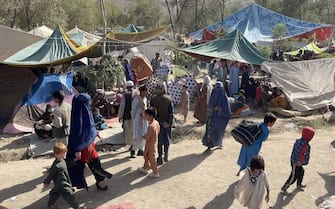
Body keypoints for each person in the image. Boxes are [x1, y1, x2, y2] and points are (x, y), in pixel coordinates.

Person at [67, 94, 112, 191]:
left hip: (89, 145)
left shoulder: (86, 112)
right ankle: (65, 186)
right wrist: (78, 148)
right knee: (79, 167)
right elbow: (77, 132)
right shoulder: (78, 117)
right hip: (82, 147)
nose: (89, 104)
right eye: (87, 102)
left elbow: (91, 126)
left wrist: (97, 134)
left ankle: (100, 181)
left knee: (95, 164)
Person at [43, 142, 83, 209]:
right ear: (56, 154)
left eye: (64, 153)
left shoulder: (62, 160)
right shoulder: (57, 166)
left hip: (62, 182)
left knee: (54, 194)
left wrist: (75, 159)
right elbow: (51, 174)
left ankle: (50, 204)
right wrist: (47, 182)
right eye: (62, 153)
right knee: (70, 196)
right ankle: (77, 207)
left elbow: (68, 163)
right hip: (63, 184)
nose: (64, 155)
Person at [281, 127, 315, 194]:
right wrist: (298, 162)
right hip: (296, 162)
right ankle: (284, 187)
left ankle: (299, 184)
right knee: (293, 177)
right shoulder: (304, 145)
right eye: (311, 136)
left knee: (301, 171)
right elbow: (301, 154)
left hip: (297, 161)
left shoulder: (299, 141)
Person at [202, 81, 231, 152]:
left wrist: (220, 108)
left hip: (220, 118)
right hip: (213, 117)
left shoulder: (223, 96)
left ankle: (218, 143)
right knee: (210, 131)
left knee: (219, 131)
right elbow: (210, 106)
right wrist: (213, 109)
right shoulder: (215, 93)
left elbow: (227, 109)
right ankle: (209, 146)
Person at [150, 83, 173, 165]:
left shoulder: (153, 100)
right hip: (167, 123)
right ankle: (166, 155)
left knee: (159, 140)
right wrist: (169, 123)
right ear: (163, 89)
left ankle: (160, 157)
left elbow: (153, 114)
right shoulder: (169, 99)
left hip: (158, 123)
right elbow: (171, 113)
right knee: (167, 139)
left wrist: (161, 122)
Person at [137, 107, 160, 178]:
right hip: (153, 142)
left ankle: (155, 173)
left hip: (150, 145)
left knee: (151, 159)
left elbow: (146, 137)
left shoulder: (151, 126)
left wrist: (142, 135)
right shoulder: (156, 122)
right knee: (146, 156)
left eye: (146, 115)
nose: (145, 116)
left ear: (151, 116)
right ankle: (145, 168)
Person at [130, 85, 148, 158]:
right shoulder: (136, 99)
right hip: (137, 120)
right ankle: (133, 150)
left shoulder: (145, 99)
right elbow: (133, 110)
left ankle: (141, 150)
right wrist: (136, 118)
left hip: (145, 119)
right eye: (146, 91)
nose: (147, 92)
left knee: (144, 135)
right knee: (138, 137)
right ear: (142, 91)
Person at [118, 81, 134, 147]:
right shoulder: (138, 94)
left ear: (126, 87)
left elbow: (122, 107)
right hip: (136, 117)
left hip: (127, 116)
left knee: (128, 132)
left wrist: (120, 116)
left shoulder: (125, 96)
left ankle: (132, 146)